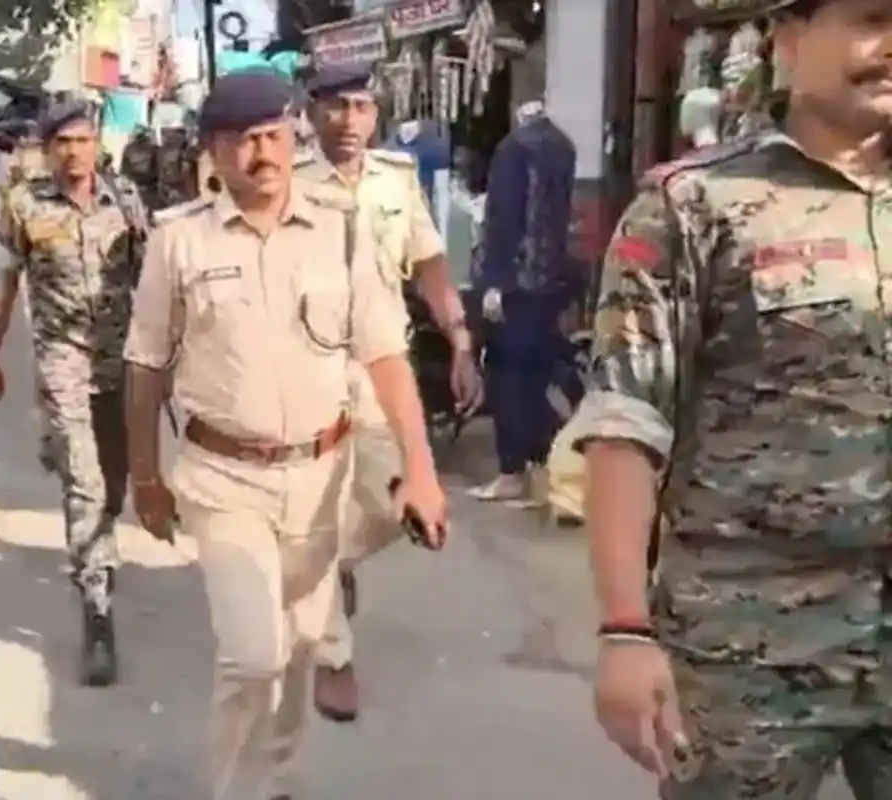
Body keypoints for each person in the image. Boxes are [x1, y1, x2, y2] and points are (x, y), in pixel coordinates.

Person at [572, 0, 892, 797]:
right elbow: (625, 419)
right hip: (748, 646)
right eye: (872, 19)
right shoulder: (694, 205)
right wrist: (624, 628)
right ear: (788, 35)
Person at [124, 70, 448, 799]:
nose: (260, 153)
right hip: (223, 478)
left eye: (272, 135)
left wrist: (419, 471)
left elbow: (386, 358)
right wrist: (145, 476)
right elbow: (145, 367)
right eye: (240, 140)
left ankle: (278, 783)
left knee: (299, 651)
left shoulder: (338, 235)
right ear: (212, 150)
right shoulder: (179, 242)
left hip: (319, 479)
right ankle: (235, 790)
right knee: (253, 655)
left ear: (291, 135)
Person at [295, 63, 482, 722]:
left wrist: (459, 339)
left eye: (360, 107)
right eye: (335, 107)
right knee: (308, 514)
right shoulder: (285, 183)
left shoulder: (396, 182)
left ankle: (335, 560)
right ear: (312, 112)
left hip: (380, 371)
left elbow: (429, 263)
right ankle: (334, 658)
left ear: (376, 114)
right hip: (306, 370)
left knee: (397, 500)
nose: (348, 121)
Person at [0, 99, 146, 687]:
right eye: (63, 142)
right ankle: (97, 611)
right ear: (48, 149)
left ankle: (101, 543)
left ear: (97, 143)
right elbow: (5, 283)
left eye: (83, 140)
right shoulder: (22, 204)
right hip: (63, 359)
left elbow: (153, 281)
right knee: (85, 480)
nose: (74, 152)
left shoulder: (125, 199)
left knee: (117, 481)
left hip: (122, 361)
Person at [469, 99, 577, 505]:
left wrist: (495, 281)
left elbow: (505, 219)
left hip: (515, 283)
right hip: (550, 280)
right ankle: (539, 469)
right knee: (535, 375)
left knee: (507, 376)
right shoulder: (562, 145)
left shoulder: (513, 148)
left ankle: (512, 470)